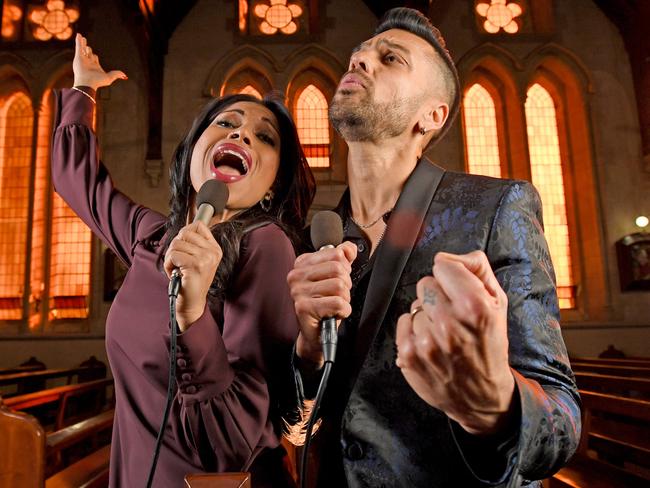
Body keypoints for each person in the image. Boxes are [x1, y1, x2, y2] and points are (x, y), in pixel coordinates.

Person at [286, 8, 581, 487]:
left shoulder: (497, 207)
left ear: (432, 115)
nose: (359, 62)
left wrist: (495, 404)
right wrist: (305, 351)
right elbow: (297, 428)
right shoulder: (315, 240)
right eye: (358, 56)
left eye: (390, 58)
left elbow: (562, 421)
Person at [52, 34, 315, 487]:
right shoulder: (152, 236)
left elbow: (233, 443)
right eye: (225, 123)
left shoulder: (267, 248)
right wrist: (83, 90)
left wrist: (193, 318)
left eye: (263, 136)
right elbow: (79, 184)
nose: (241, 133)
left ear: (272, 185)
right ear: (193, 151)